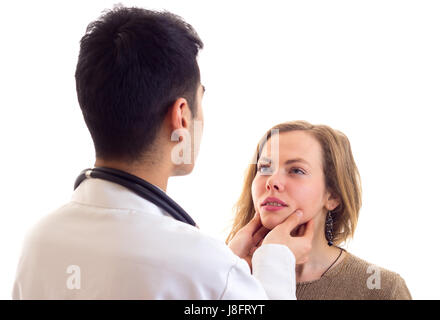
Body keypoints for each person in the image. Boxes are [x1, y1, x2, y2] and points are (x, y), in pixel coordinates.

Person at [11, 6, 314, 300]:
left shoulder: (39, 241)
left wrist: (227, 268)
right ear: (181, 116)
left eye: (297, 169)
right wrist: (274, 260)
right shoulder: (205, 267)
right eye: (201, 99)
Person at [227, 120, 412, 299]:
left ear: (333, 196)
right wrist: (226, 270)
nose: (272, 181)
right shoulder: (229, 271)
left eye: (296, 170)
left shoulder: (382, 290)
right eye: (264, 168)